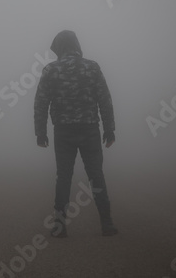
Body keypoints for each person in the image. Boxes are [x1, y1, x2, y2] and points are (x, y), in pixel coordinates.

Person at [34, 30, 118, 237]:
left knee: (63, 177)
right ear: (76, 45)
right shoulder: (92, 67)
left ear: (59, 47)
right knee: (96, 176)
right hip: (89, 129)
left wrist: (41, 133)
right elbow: (104, 100)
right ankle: (107, 224)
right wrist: (109, 129)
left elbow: (41, 103)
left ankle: (59, 226)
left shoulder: (51, 70)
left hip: (63, 132)